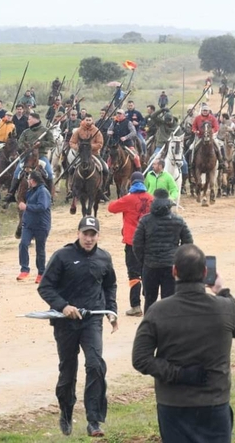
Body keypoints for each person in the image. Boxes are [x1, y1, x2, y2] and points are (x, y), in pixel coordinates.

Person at [132, 244, 235, 443]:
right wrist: (222, 291)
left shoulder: (157, 311)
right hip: (214, 400)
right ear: (205, 273)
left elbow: (140, 359)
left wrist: (177, 374)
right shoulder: (225, 307)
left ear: (174, 271)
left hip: (173, 403)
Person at [38, 215, 118, 438]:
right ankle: (66, 411)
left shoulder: (104, 258)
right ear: (78, 233)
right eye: (85, 234)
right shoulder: (62, 256)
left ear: (98, 236)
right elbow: (45, 287)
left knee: (95, 365)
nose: (89, 238)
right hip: (66, 322)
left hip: (92, 320)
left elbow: (110, 285)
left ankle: (94, 421)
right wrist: (63, 306)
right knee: (68, 370)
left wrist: (112, 311)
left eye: (93, 234)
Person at [133, 189, 194, 312]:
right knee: (170, 301)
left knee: (150, 301)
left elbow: (137, 244)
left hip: (150, 266)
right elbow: (188, 243)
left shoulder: (145, 221)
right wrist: (177, 258)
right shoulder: (178, 220)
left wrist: (144, 260)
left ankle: (150, 328)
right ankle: (169, 329)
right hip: (171, 266)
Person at [107, 171, 153, 316]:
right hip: (149, 241)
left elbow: (111, 208)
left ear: (131, 183)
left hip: (132, 241)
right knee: (148, 271)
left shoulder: (129, 199)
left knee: (134, 274)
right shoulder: (151, 198)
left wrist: (124, 198)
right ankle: (149, 305)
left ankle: (136, 306)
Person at [4, 112, 55, 202]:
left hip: (41, 156)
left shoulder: (45, 131)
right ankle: (10, 194)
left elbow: (52, 143)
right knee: (17, 172)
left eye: (29, 119)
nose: (28, 121)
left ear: (36, 119)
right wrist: (26, 147)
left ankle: (50, 196)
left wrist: (41, 144)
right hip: (27, 156)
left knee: (49, 173)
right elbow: (20, 143)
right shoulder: (26, 132)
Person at [17, 171, 51, 283]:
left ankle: (41, 273)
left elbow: (42, 207)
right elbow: (23, 197)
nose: (28, 181)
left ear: (33, 180)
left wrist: (27, 207)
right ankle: (24, 269)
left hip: (41, 225)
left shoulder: (43, 191)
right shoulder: (31, 191)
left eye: (29, 179)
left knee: (40, 249)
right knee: (23, 244)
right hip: (28, 224)